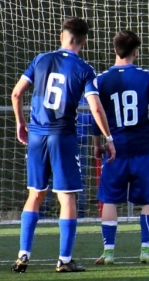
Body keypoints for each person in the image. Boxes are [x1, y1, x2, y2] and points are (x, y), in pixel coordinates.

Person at [10, 17, 116, 273]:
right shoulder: (84, 68)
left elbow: (16, 93)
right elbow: (96, 108)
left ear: (62, 36)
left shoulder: (40, 59)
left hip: (36, 135)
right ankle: (65, 260)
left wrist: (20, 123)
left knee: (35, 194)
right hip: (62, 136)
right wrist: (108, 139)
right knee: (67, 197)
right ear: (84, 41)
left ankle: (23, 254)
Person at [92, 30, 149, 265]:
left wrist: (97, 144)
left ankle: (108, 252)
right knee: (148, 199)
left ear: (115, 50)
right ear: (136, 51)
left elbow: (97, 115)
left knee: (109, 199)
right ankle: (146, 250)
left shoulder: (102, 79)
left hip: (114, 150)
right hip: (142, 149)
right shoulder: (145, 77)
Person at [39, 97, 91, 219]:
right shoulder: (55, 94)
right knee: (50, 176)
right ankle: (43, 212)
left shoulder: (85, 97)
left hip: (79, 141)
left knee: (80, 177)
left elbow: (90, 118)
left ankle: (79, 213)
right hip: (58, 140)